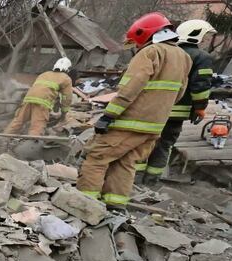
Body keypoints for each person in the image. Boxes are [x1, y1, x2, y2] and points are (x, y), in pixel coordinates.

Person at [76, 13, 191, 209]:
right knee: (125, 163)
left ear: (145, 35)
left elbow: (130, 87)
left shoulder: (150, 52)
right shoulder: (184, 57)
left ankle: (84, 206)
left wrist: (109, 115)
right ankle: (115, 205)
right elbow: (179, 93)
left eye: (137, 42)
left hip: (129, 122)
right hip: (154, 126)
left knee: (96, 157)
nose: (136, 47)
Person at [136, 19, 216, 182]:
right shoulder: (202, 57)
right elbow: (200, 86)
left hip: (153, 108)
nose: (205, 39)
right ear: (196, 35)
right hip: (176, 113)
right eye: (205, 35)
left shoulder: (166, 51)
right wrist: (200, 107)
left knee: (144, 141)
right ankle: (151, 180)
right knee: (164, 144)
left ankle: (134, 177)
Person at [4, 57, 74, 136]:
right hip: (42, 101)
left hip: (28, 99)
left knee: (18, 121)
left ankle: (3, 138)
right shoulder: (66, 78)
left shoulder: (44, 74)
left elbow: (39, 88)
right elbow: (67, 98)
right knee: (37, 125)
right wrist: (64, 113)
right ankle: (31, 145)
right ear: (68, 69)